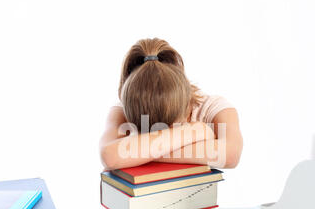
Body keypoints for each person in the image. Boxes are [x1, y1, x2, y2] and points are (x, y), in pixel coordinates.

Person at [99, 38, 243, 170]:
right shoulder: (125, 106)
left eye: (169, 128)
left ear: (186, 105)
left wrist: (139, 153)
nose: (161, 132)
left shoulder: (215, 108)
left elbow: (230, 155)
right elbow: (110, 156)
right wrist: (196, 132)